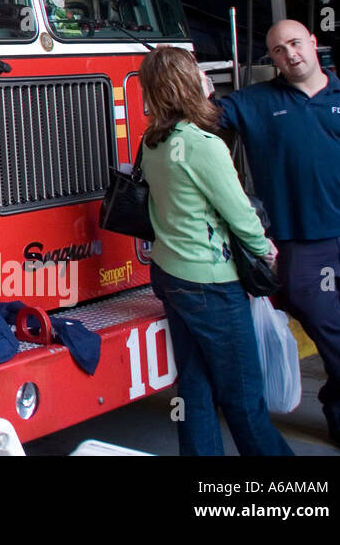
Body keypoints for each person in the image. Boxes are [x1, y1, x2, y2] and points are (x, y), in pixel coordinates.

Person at [218, 19, 340, 455]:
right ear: (271, 59)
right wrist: (190, 83)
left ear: (313, 43)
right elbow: (203, 117)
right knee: (328, 324)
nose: (290, 54)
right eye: (277, 50)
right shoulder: (254, 103)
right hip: (300, 245)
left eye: (295, 43)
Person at [138, 45, 293, 456]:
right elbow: (241, 214)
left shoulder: (152, 142)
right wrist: (266, 250)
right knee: (244, 398)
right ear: (191, 84)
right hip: (211, 283)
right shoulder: (202, 144)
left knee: (195, 387)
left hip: (170, 275)